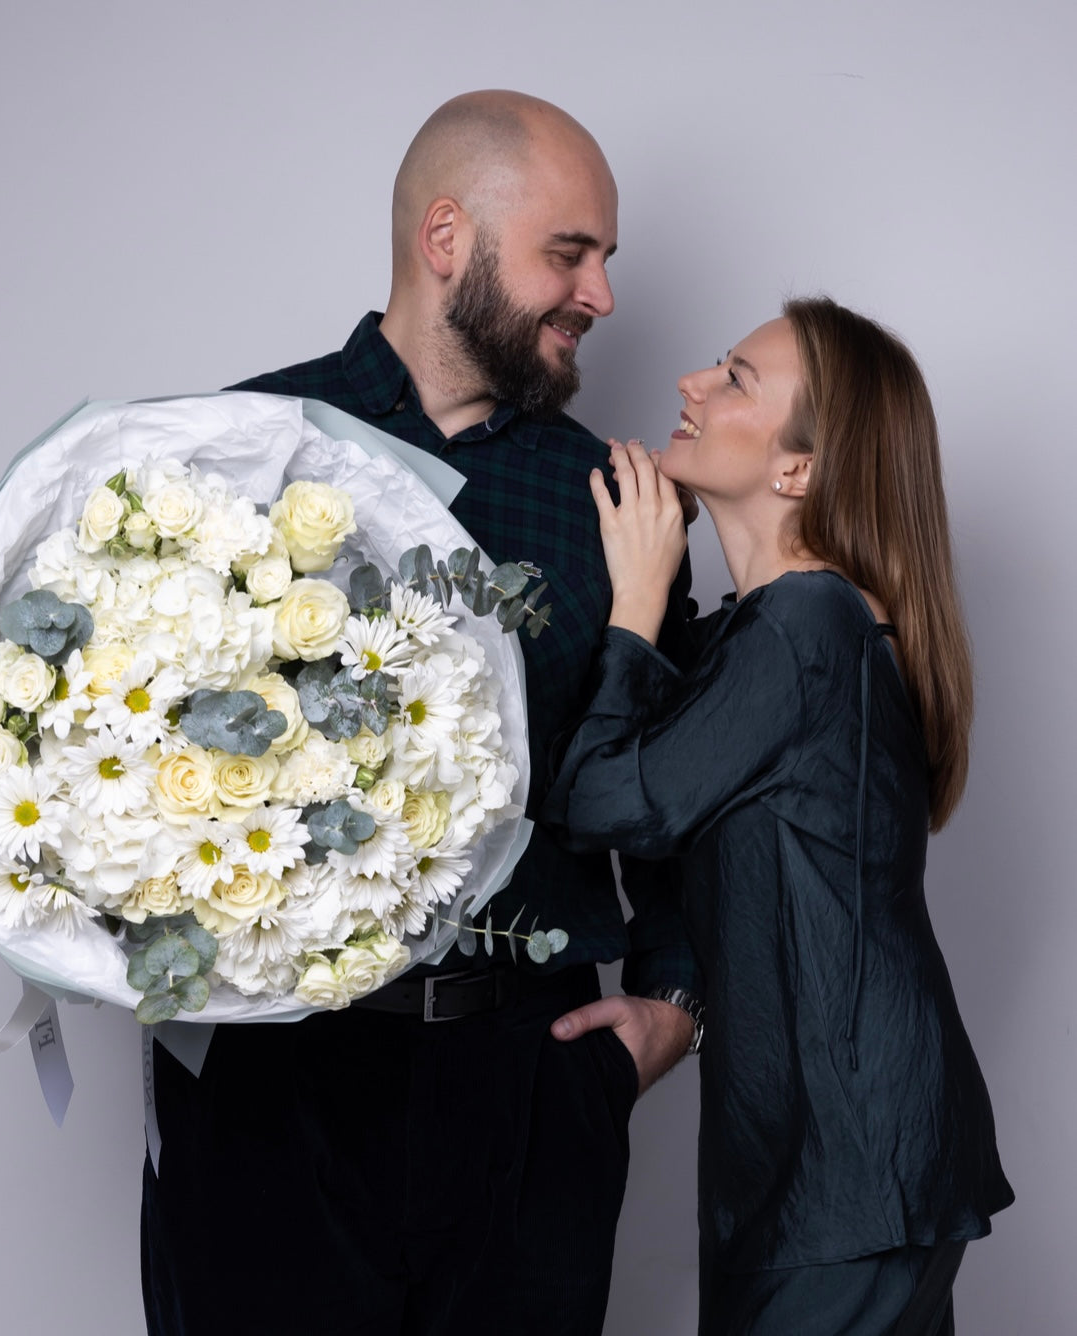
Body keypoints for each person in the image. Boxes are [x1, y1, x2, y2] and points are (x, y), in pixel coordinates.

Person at [141, 91, 703, 1336]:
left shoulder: (618, 502)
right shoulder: (236, 448)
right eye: (572, 252)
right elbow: (124, 736)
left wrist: (672, 1000)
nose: (601, 295)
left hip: (526, 1075)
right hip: (268, 1080)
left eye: (607, 259)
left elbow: (679, 769)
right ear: (446, 237)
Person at [543, 298, 1014, 1335]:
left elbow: (604, 801)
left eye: (736, 379)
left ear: (800, 469)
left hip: (846, 1161)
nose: (691, 386)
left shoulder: (808, 621)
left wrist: (633, 602)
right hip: (829, 1159)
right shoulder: (777, 629)